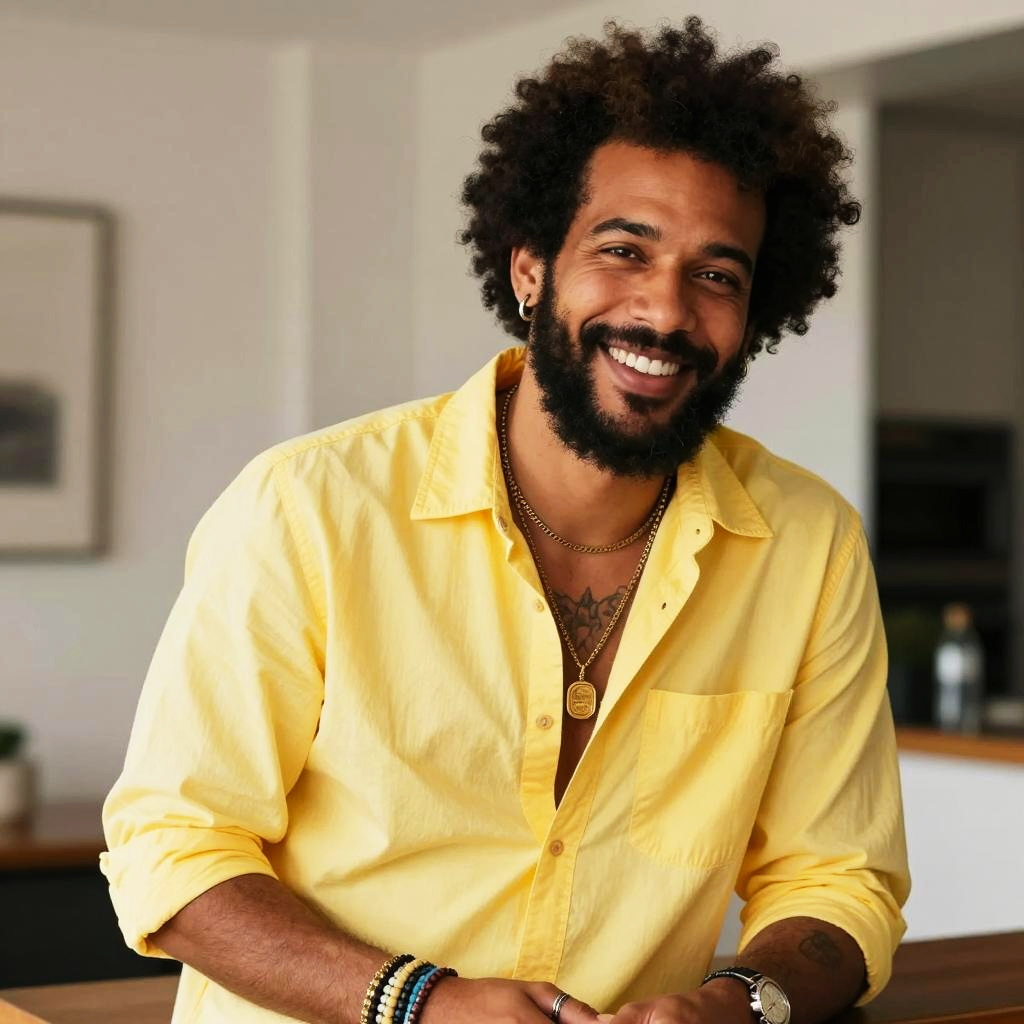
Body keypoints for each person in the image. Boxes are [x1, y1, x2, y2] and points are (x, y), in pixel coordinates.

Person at [102, 18, 909, 1024]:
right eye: (623, 250)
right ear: (530, 268)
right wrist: (416, 1003)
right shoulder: (309, 507)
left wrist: (740, 1003)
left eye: (715, 273)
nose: (663, 312)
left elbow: (837, 875)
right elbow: (172, 852)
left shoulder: (807, 541)